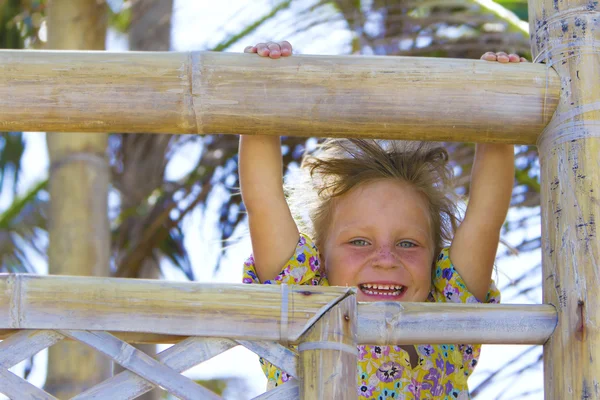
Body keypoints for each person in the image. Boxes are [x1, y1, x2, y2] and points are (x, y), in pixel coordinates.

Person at [240, 41, 521, 399]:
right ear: (321, 260)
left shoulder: (449, 316)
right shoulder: (303, 304)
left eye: (408, 244)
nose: (386, 259)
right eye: (359, 242)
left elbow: (485, 216)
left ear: (436, 259)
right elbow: (263, 200)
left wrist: (499, 99)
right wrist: (260, 88)